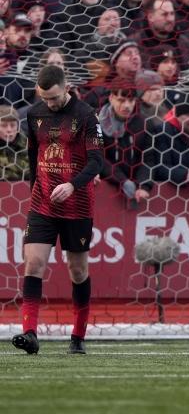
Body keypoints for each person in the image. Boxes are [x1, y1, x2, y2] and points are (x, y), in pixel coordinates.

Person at [12, 65, 104, 355]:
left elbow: (96, 162)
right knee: (34, 264)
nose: (49, 104)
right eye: (45, 98)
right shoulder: (34, 113)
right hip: (42, 203)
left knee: (77, 270)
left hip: (77, 204)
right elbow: (31, 155)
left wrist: (73, 185)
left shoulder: (87, 116)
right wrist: (33, 188)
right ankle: (30, 334)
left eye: (53, 98)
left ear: (66, 88)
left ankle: (77, 336)